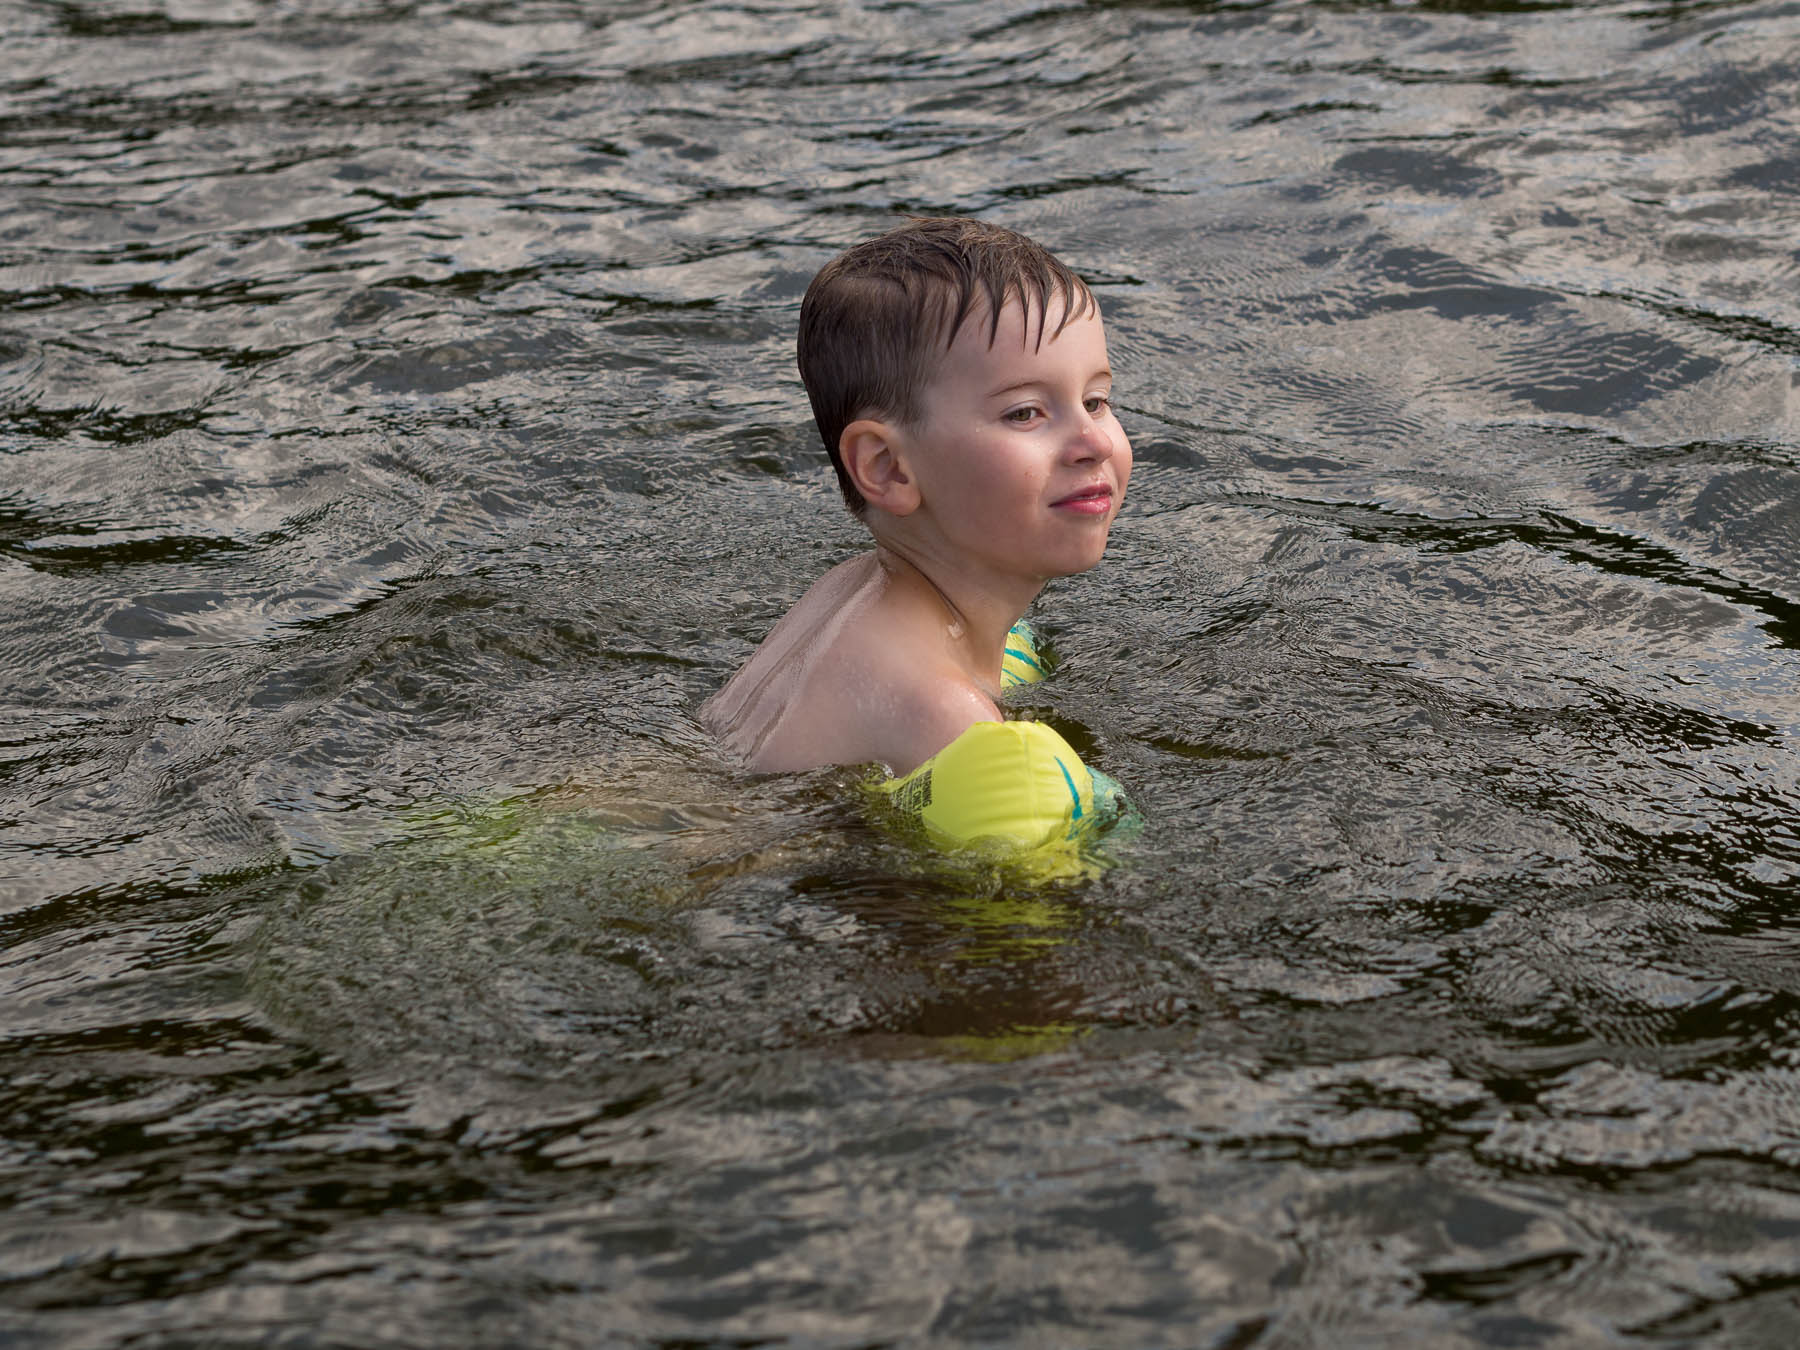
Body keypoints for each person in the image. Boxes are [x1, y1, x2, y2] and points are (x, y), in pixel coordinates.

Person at [703, 217, 1132, 852]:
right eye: (1025, 413)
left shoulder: (855, 594)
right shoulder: (941, 713)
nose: (1094, 441)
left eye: (1095, 401)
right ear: (887, 468)